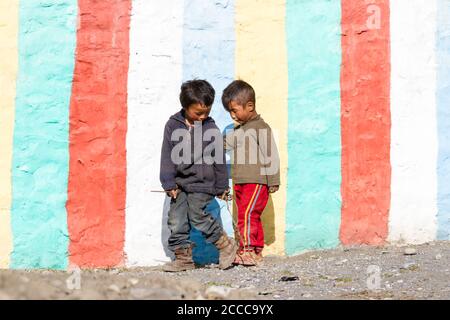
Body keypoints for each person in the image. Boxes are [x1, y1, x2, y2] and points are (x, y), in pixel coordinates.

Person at [160, 79, 237, 272]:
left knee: (198, 216)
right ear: (185, 107)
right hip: (179, 184)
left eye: (207, 113)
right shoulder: (173, 125)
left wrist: (221, 187)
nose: (203, 117)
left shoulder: (211, 129)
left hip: (203, 183)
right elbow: (167, 154)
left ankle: (226, 245)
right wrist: (168, 182)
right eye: (198, 113)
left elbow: (219, 159)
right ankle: (183, 258)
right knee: (176, 220)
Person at [222, 80, 280, 266]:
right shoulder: (239, 130)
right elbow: (224, 145)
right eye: (229, 112)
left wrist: (273, 180)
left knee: (247, 215)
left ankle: (246, 250)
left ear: (250, 106)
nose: (232, 115)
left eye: (234, 110)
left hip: (256, 181)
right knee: (249, 215)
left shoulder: (261, 127)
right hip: (240, 181)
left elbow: (271, 154)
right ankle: (255, 251)